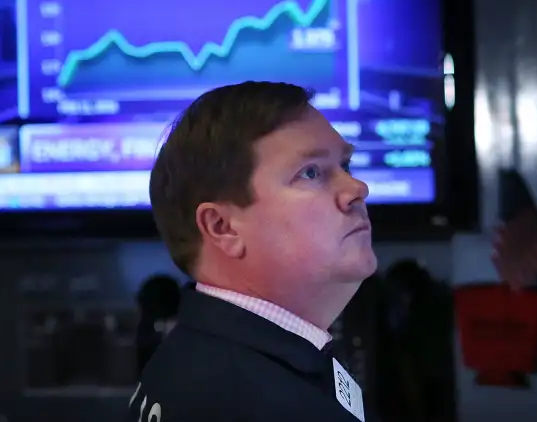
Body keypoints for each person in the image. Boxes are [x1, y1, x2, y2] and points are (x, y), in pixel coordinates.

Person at [127, 82, 377, 422]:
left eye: (345, 166)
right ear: (222, 227)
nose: (357, 189)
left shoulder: (193, 357)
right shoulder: (263, 401)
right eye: (311, 172)